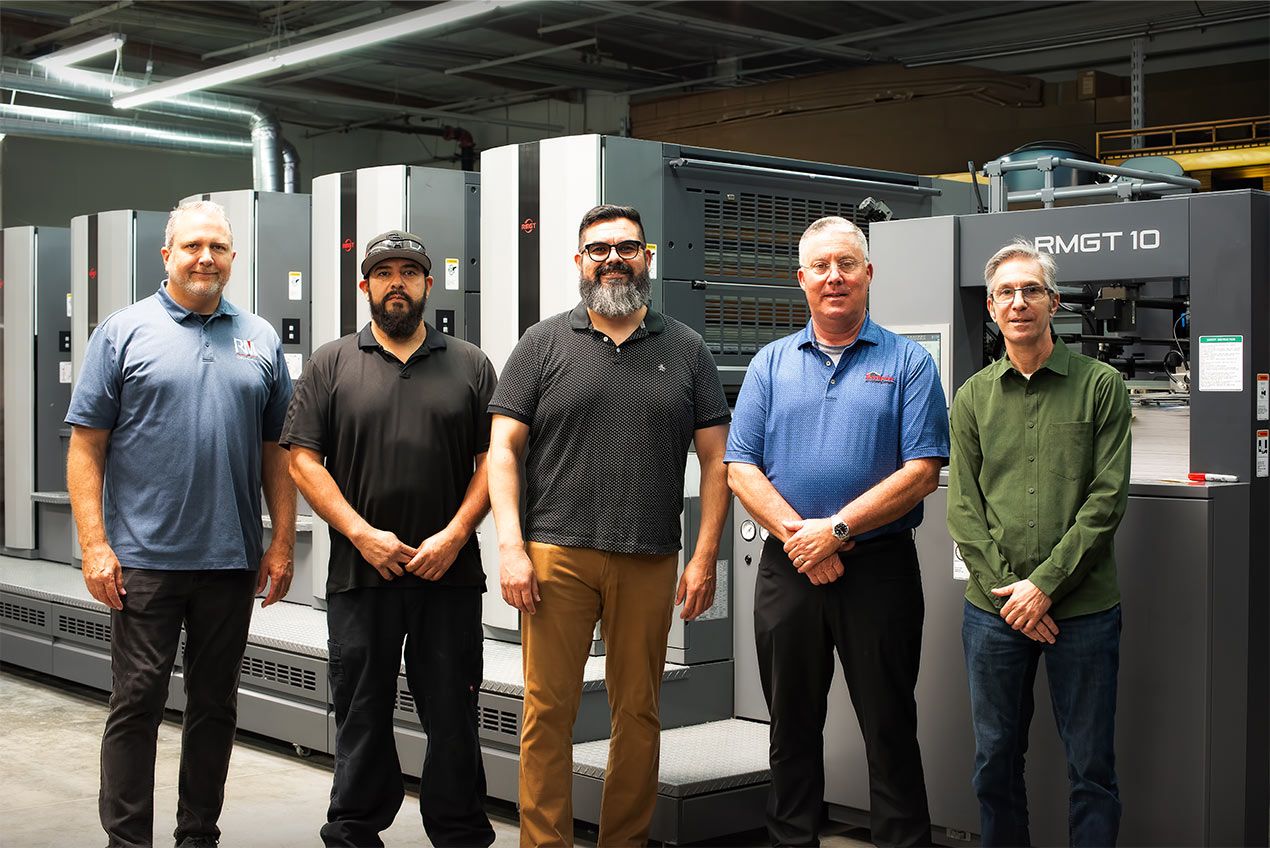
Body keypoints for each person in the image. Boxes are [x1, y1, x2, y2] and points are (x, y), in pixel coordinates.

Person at [487, 204, 731, 847]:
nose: (613, 259)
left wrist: (703, 557)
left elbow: (717, 461)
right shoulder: (541, 343)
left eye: (626, 247)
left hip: (649, 556)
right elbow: (503, 449)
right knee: (547, 713)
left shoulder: (688, 348)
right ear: (580, 261)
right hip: (555, 554)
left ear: (647, 257)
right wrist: (510, 548)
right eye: (599, 249)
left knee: (639, 713)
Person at [66, 199, 296, 848]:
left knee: (215, 706)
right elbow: (86, 447)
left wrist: (281, 542)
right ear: (167, 255)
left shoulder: (260, 338)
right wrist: (94, 545)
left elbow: (277, 451)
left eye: (217, 247)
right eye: (193, 246)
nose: (205, 258)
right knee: (136, 704)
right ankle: (128, 841)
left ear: (232, 257)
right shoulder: (123, 331)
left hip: (230, 559)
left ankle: (199, 835)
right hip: (143, 560)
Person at [725, 216, 948, 847]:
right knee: (790, 728)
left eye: (847, 264)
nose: (834, 277)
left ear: (868, 273)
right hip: (789, 567)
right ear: (801, 279)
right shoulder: (770, 364)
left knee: (889, 726)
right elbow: (739, 467)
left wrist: (839, 529)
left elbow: (922, 472)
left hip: (878, 570)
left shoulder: (909, 362)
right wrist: (804, 538)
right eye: (821, 266)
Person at [282, 230, 497, 848]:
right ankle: (353, 831)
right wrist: (361, 534)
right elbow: (302, 460)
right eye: (383, 272)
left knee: (453, 711)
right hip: (361, 573)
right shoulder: (331, 363)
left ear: (429, 284)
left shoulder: (471, 364)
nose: (396, 282)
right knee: (361, 709)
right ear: (365, 285)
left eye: (408, 272)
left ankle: (459, 833)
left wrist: (455, 535)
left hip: (448, 573)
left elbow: (494, 461)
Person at [947, 239, 1131, 847]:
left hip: (1083, 609)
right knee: (994, 764)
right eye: (1005, 292)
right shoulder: (972, 396)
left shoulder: (1101, 385)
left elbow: (1106, 500)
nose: (1018, 302)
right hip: (995, 611)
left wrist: (1043, 588)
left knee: (1092, 769)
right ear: (991, 308)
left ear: (1053, 302)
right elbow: (963, 509)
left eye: (1031, 290)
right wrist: (1013, 595)